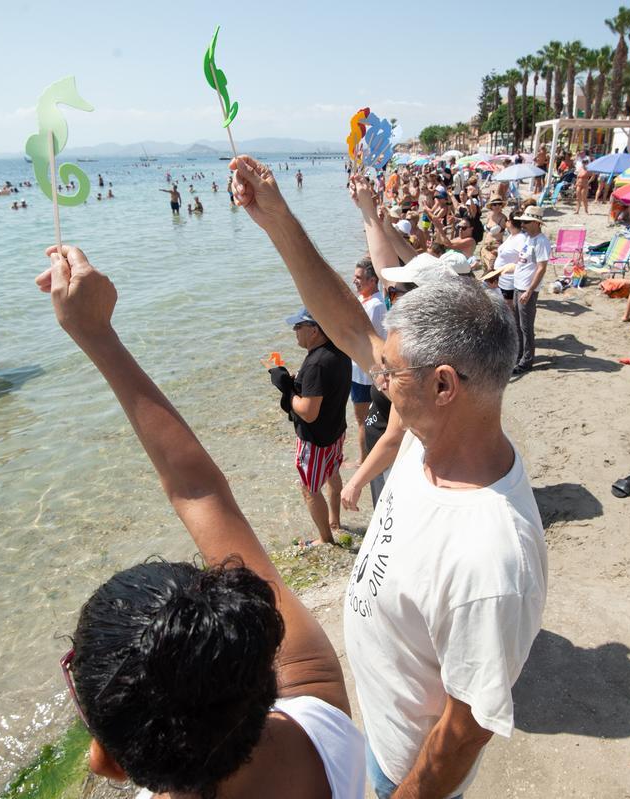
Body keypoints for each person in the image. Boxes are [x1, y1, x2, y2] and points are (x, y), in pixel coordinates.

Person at [231, 154, 548, 799]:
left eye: (390, 373)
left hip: (402, 767)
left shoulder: (492, 555)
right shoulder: (433, 438)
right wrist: (278, 221)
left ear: (444, 385)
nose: (378, 378)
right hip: (376, 727)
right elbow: (348, 321)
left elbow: (464, 732)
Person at [36, 244, 365, 799]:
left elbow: (199, 492)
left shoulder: (315, 702)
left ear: (108, 762)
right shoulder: (321, 721)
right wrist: (97, 334)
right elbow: (201, 492)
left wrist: (96, 335)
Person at [268, 308, 351, 546]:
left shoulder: (316, 363)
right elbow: (324, 390)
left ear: (314, 330)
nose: (294, 332)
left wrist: (287, 391)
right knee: (333, 472)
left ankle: (325, 538)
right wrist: (296, 383)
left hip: (315, 439)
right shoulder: (339, 351)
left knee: (309, 488)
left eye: (298, 327)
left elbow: (308, 412)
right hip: (336, 430)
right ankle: (334, 521)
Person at [348, 258, 387, 465]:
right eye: (354, 276)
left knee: (362, 419)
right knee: (366, 418)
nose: (354, 280)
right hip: (362, 370)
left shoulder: (374, 305)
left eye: (359, 278)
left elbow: (361, 336)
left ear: (372, 281)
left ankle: (364, 461)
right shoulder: (369, 301)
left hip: (363, 372)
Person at [510, 205, 552, 375]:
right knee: (518, 325)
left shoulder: (541, 241)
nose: (523, 225)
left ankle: (526, 361)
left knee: (526, 327)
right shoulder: (528, 238)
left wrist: (529, 290)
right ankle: (520, 356)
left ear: (536, 223)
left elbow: (542, 268)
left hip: (526, 288)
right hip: (518, 286)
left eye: (526, 222)